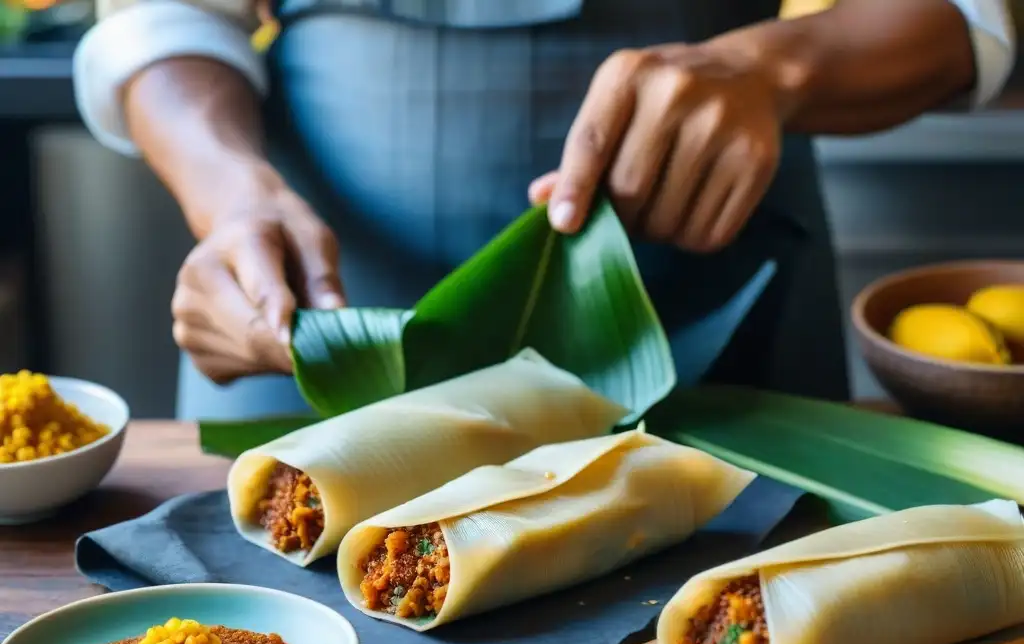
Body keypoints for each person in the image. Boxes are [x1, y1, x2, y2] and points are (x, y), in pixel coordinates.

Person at [73, 0, 1015, 420]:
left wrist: (776, 68)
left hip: (716, 341)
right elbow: (166, 15)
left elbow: (972, 12)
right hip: (321, 346)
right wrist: (232, 193)